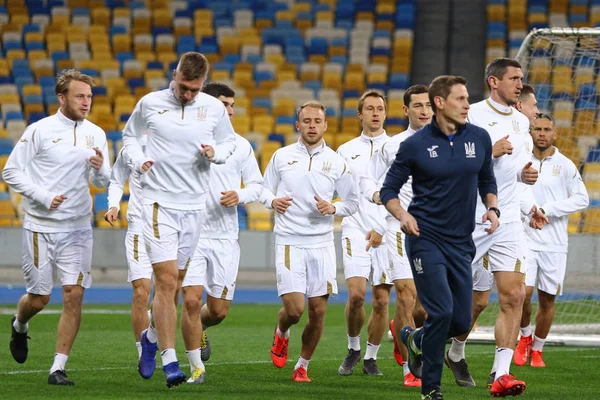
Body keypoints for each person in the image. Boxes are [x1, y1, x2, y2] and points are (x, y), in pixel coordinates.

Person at [380, 75, 499, 400]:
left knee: (460, 321)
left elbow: (487, 178)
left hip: (462, 242)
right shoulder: (414, 145)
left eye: (466, 98)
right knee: (442, 311)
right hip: (425, 238)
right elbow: (388, 189)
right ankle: (431, 389)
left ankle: (415, 338)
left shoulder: (479, 137)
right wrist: (402, 215)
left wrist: (492, 209)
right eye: (460, 99)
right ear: (439, 103)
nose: (466, 105)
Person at [122, 52, 236, 387]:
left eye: (194, 89)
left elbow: (229, 140)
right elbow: (129, 138)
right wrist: (139, 157)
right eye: (183, 87)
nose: (187, 94)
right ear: (174, 75)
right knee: (168, 280)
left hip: (194, 206)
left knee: (179, 278)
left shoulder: (213, 108)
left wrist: (218, 153)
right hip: (158, 203)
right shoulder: (150, 103)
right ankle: (170, 363)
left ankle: (151, 338)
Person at [445, 58, 546, 396]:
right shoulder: (470, 115)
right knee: (455, 301)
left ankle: (500, 374)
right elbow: (449, 162)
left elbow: (513, 171)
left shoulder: (521, 121)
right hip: (469, 216)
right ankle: (420, 338)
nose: (520, 84)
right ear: (493, 81)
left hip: (507, 221)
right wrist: (489, 151)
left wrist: (525, 177)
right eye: (514, 79)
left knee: (515, 294)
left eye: (521, 79)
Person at [3, 69, 111, 385]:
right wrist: (43, 195)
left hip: (78, 227)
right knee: (39, 298)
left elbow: (104, 181)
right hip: (40, 226)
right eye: (80, 96)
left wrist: (101, 168)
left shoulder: (97, 134)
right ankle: (20, 324)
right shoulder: (40, 131)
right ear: (62, 98)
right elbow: (10, 172)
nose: (86, 101)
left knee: (73, 294)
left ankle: (58, 367)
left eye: (89, 96)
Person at [261, 101, 359, 382]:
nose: (312, 125)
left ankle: (302, 365)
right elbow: (263, 190)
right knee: (295, 310)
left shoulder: (337, 162)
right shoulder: (281, 156)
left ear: (326, 125)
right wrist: (272, 200)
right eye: (307, 121)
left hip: (322, 244)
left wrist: (334, 208)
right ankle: (282, 332)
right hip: (290, 241)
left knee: (317, 311)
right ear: (298, 125)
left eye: (317, 121)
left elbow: (352, 201)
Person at [179, 82, 264, 382]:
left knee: (217, 311)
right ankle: (195, 369)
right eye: (224, 104)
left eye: (231, 104)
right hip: (191, 234)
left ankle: (198, 328)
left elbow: (258, 186)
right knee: (190, 300)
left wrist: (239, 196)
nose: (230, 110)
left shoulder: (241, 145)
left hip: (225, 236)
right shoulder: (185, 140)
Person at [359, 84, 432, 387]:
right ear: (405, 111)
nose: (424, 111)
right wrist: (380, 204)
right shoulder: (393, 146)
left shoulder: (450, 143)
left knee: (427, 307)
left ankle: (404, 331)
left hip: (437, 231)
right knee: (405, 293)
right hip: (398, 227)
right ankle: (410, 371)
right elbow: (367, 180)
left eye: (428, 105)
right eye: (417, 106)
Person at [514, 114, 589, 367]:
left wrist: (548, 209)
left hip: (554, 244)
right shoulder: (520, 163)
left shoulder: (566, 165)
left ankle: (537, 349)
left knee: (547, 300)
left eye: (547, 129)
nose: (542, 133)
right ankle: (524, 337)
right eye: (537, 129)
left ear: (555, 133)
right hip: (524, 239)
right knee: (522, 295)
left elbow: (582, 199)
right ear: (530, 132)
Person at [335, 90, 391, 377]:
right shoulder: (345, 150)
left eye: (379, 108)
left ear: (386, 112)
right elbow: (336, 190)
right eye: (369, 108)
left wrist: (385, 225)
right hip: (355, 227)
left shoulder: (397, 148)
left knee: (381, 301)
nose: (375, 113)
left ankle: (371, 356)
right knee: (356, 295)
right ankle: (353, 347)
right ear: (360, 114)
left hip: (388, 230)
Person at [104, 134, 150, 361]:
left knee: (171, 294)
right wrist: (113, 205)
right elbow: (116, 179)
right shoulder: (131, 149)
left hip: (172, 228)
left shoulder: (180, 142)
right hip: (139, 227)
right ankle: (144, 353)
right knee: (141, 291)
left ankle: (155, 330)